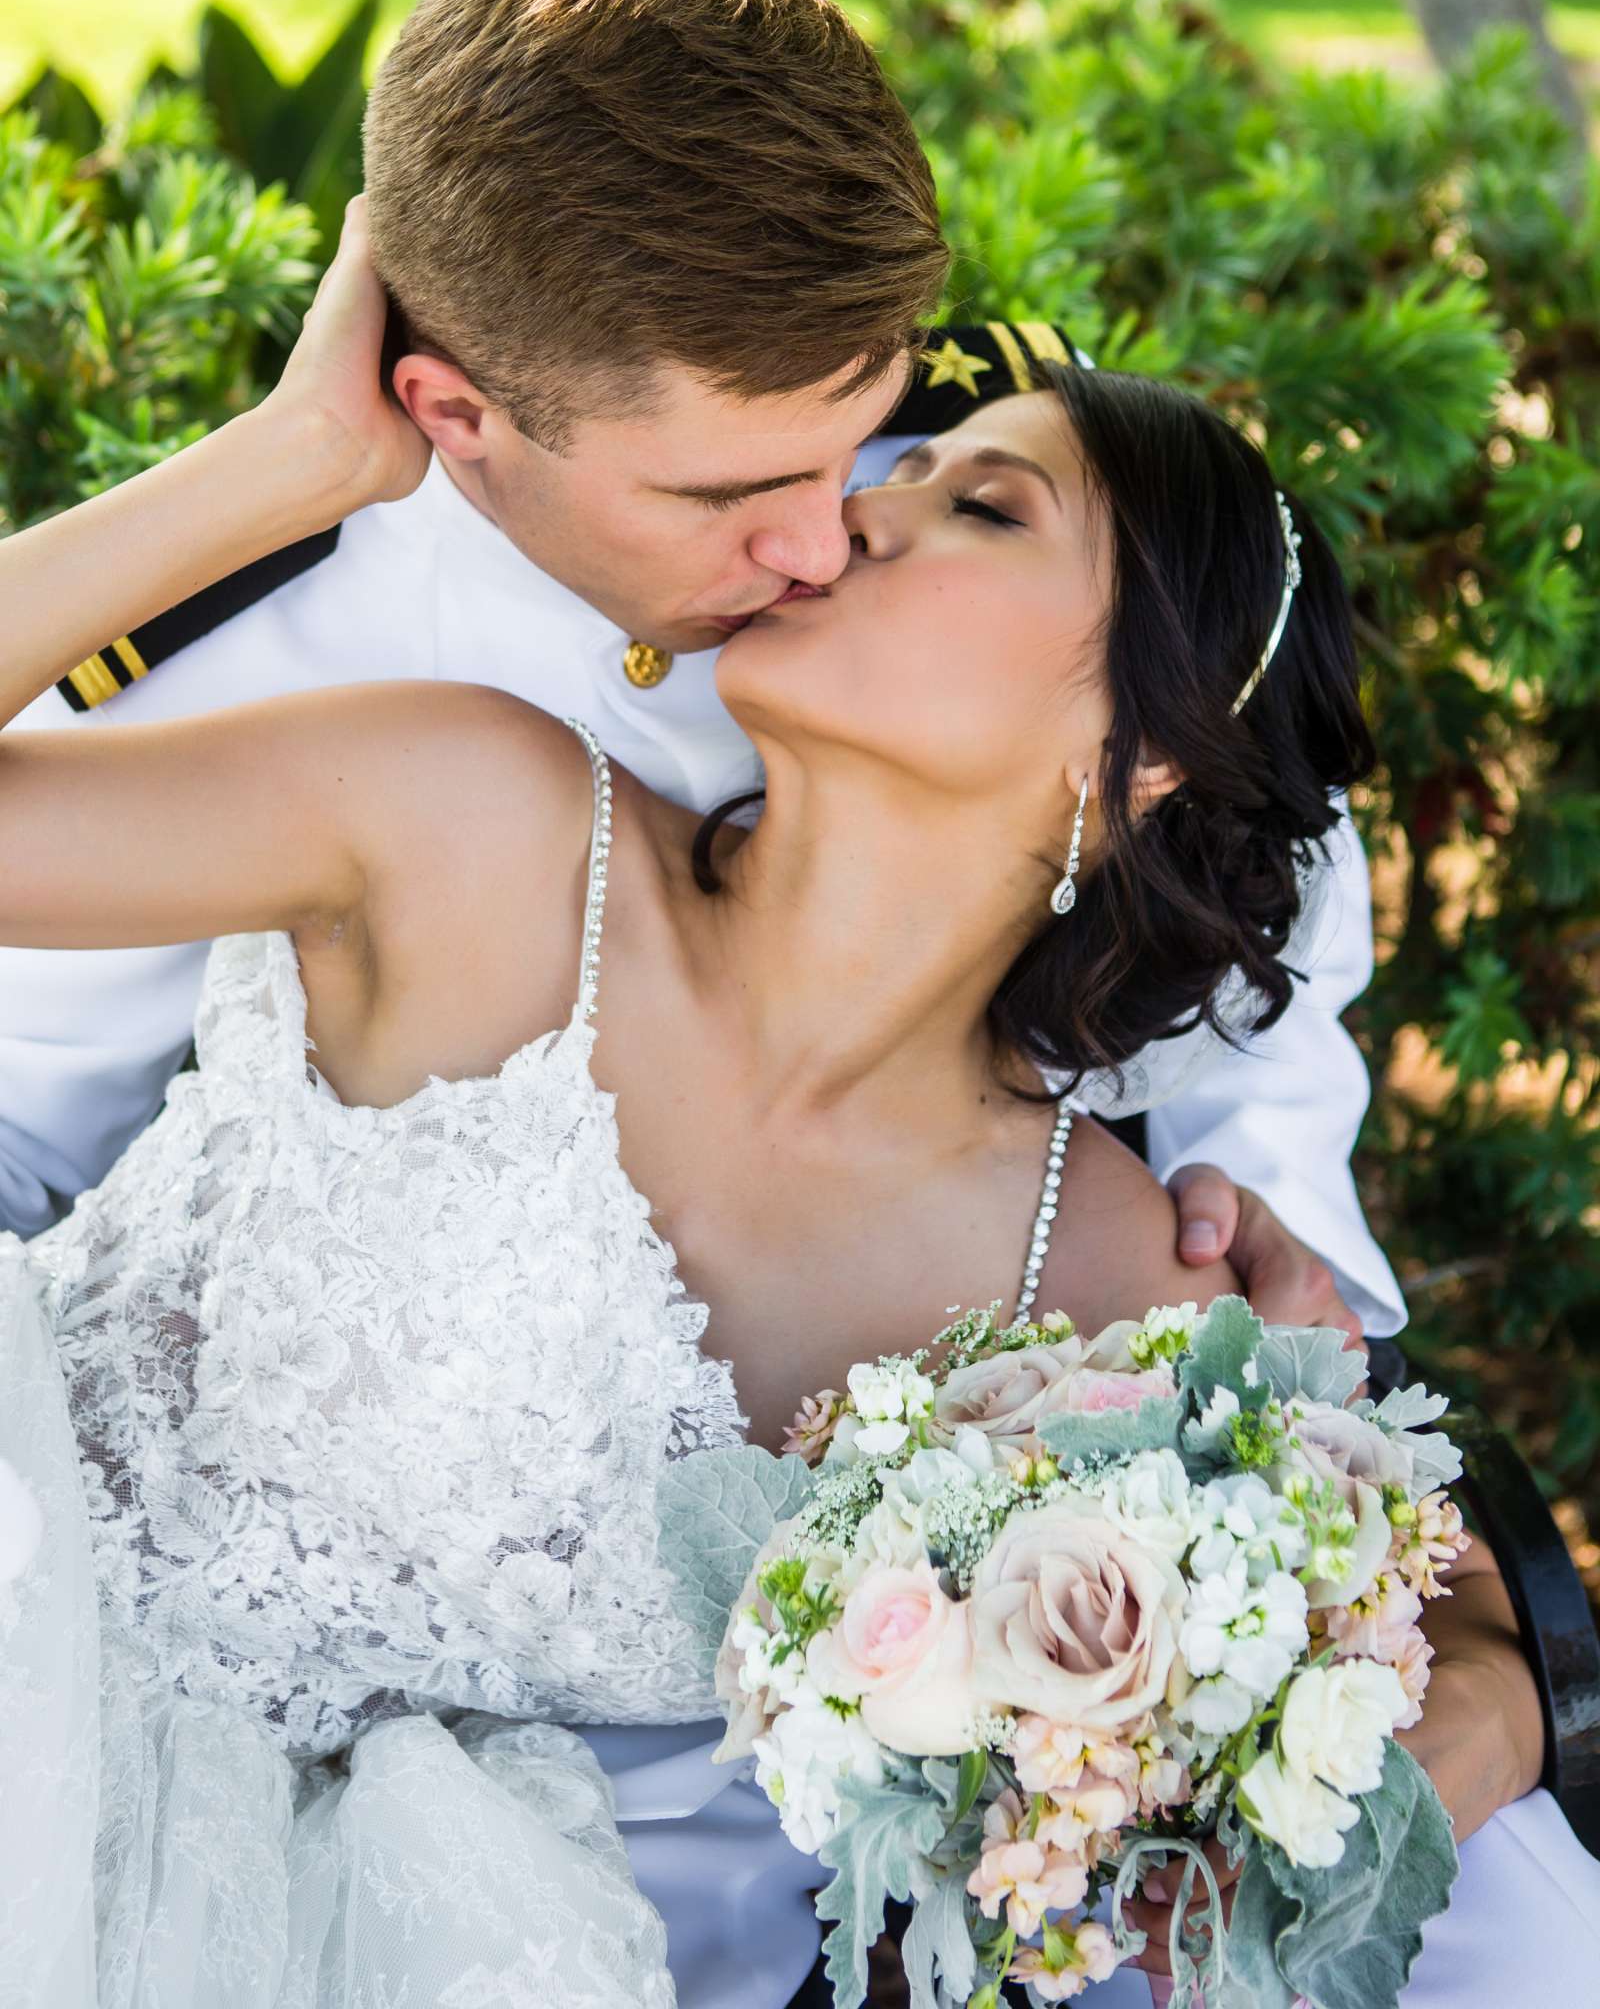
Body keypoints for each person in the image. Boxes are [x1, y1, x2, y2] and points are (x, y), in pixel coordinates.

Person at [1, 207, 1595, 2008]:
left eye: (981, 508)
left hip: (394, 1932)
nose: (850, 516)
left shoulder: (1108, 1283)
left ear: (1142, 755)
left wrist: (1469, 1728)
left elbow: (1426, 1613)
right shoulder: (474, 820)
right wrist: (291, 465)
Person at [0, 0, 1390, 1356]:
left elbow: (1237, 785)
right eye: (723, 494)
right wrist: (287, 467)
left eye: (861, 440)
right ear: (455, 414)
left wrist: (1253, 1214)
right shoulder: (256, 662)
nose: (826, 531)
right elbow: (25, 1134)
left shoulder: (972, 455)